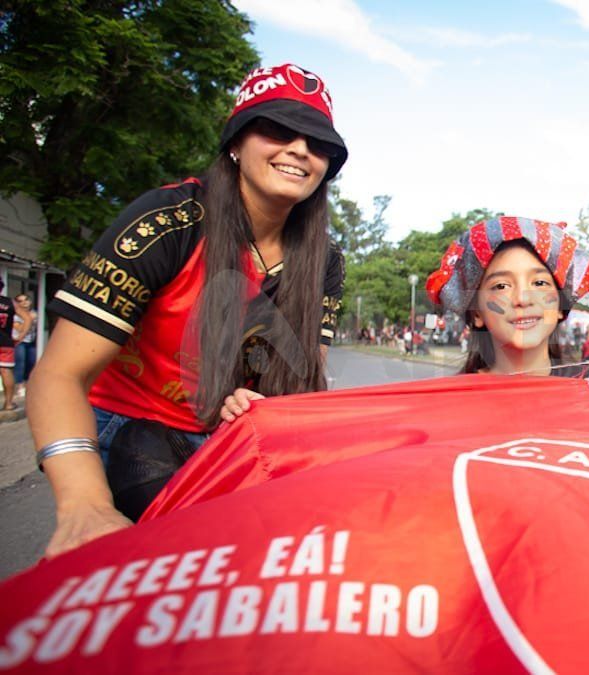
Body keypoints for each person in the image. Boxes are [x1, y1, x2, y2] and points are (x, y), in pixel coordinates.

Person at [28, 63, 349, 555]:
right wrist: (84, 506)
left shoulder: (324, 261)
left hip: (229, 441)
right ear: (236, 144)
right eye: (278, 130)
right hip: (128, 430)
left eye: (317, 142)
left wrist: (256, 404)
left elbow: (300, 392)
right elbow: (58, 375)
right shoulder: (168, 220)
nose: (300, 149)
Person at [425, 216, 589, 376]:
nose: (523, 299)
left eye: (539, 283)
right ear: (476, 312)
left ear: (561, 305)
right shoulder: (449, 404)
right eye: (501, 286)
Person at [0, 281, 32, 410]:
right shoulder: (10, 303)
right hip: (6, 342)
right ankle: (8, 403)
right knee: (6, 371)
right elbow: (28, 318)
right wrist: (21, 336)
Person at [11, 293, 37, 398]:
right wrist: (29, 319)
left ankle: (27, 385)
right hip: (19, 342)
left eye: (26, 300)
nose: (24, 303)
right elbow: (20, 329)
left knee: (31, 362)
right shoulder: (15, 315)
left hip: (31, 341)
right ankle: (19, 387)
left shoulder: (34, 313)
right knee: (20, 364)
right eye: (20, 301)